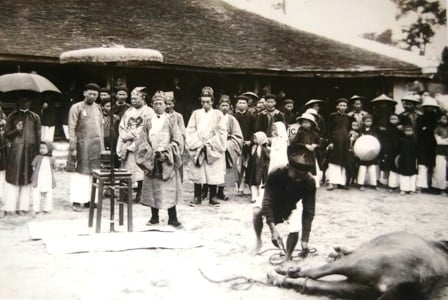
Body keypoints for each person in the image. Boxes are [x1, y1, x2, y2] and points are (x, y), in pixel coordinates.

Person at [251, 151, 316, 260]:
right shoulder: (276, 173)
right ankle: (258, 241)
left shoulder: (309, 181)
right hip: (274, 199)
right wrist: (273, 230)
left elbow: (308, 211)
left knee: (295, 227)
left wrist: (305, 238)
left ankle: (287, 256)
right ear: (288, 167)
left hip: (292, 203)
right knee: (256, 212)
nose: (298, 179)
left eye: (302, 176)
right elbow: (267, 202)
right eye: (296, 175)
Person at [135, 92, 184, 227]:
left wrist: (167, 153)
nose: (158, 106)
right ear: (152, 105)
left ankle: (173, 218)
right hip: (152, 159)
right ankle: (154, 217)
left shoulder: (171, 121)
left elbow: (177, 140)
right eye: (155, 104)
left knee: (169, 189)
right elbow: (142, 142)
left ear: (165, 105)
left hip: (167, 159)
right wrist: (151, 153)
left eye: (161, 104)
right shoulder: (147, 122)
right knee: (153, 189)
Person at [1, 92, 41, 217]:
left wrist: (38, 154)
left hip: (30, 151)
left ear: (30, 102)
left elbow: (38, 136)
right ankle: (10, 207)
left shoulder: (35, 117)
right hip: (15, 152)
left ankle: (23, 207)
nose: (24, 103)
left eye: (27, 100)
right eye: (22, 100)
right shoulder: (12, 116)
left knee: (27, 180)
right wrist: (16, 130)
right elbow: (6, 134)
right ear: (18, 102)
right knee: (13, 179)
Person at [185, 86, 227, 206]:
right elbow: (190, 129)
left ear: (212, 101)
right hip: (199, 146)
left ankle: (212, 196)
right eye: (203, 102)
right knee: (198, 171)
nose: (205, 104)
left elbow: (222, 131)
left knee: (213, 171)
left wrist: (210, 143)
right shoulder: (196, 114)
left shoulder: (218, 114)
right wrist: (198, 143)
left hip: (212, 146)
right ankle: (197, 196)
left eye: (208, 102)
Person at [68, 83, 104, 212]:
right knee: (80, 174)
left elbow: (100, 128)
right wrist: (73, 146)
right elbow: (71, 127)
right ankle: (77, 200)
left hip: (96, 146)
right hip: (81, 145)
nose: (93, 96)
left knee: (94, 173)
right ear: (84, 93)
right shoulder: (76, 107)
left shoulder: (98, 108)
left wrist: (102, 147)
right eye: (90, 94)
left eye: (95, 94)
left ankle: (91, 199)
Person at [117, 87, 155, 203]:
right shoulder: (129, 111)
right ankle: (124, 194)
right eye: (132, 98)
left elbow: (148, 127)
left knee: (140, 171)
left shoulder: (149, 112)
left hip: (140, 144)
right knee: (125, 169)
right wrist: (125, 136)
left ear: (143, 98)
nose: (133, 101)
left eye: (135, 98)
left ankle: (140, 194)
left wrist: (136, 137)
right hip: (127, 142)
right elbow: (122, 126)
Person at [217, 95, 243, 201]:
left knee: (224, 171)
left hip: (226, 147)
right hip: (214, 146)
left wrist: (228, 144)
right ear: (218, 106)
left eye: (226, 105)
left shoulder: (232, 119)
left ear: (230, 107)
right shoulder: (214, 117)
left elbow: (237, 135)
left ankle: (220, 192)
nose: (224, 107)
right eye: (222, 105)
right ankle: (208, 191)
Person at [326, 98, 352, 190]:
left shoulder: (348, 117)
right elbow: (328, 130)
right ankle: (331, 182)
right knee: (333, 161)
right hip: (335, 141)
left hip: (344, 142)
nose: (342, 107)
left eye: (344, 105)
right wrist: (330, 142)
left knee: (343, 161)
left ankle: (341, 182)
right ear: (337, 106)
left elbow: (349, 129)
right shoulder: (332, 116)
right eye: (341, 105)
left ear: (347, 107)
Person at [289, 113, 321, 187]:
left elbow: (319, 144)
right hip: (301, 154)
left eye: (306, 122)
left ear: (311, 124)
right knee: (301, 168)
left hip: (310, 155)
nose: (304, 124)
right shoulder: (300, 133)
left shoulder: (315, 134)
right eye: (303, 122)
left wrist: (315, 146)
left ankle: (309, 183)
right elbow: (294, 143)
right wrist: (305, 146)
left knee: (310, 170)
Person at [416, 96, 439, 193]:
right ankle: (421, 186)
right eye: (428, 107)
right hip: (423, 144)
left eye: (432, 107)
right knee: (422, 165)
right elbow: (419, 131)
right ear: (425, 107)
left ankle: (432, 185)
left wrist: (427, 129)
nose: (430, 108)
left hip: (434, 145)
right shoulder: (420, 118)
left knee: (433, 165)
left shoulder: (437, 119)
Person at [234, 94, 256, 194]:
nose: (242, 104)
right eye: (240, 103)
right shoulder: (233, 117)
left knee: (248, 165)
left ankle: (250, 187)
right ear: (237, 104)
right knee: (238, 166)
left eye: (244, 103)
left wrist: (250, 141)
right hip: (236, 144)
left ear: (247, 105)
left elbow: (254, 130)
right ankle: (239, 187)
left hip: (248, 144)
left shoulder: (252, 117)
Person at [245, 131, 270, 204]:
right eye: (253, 138)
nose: (253, 140)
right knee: (253, 183)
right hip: (253, 168)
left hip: (261, 169)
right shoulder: (253, 147)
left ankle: (260, 197)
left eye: (256, 138)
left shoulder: (264, 149)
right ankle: (254, 197)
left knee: (261, 183)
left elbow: (267, 158)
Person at [31, 141, 56, 214]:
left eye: (44, 148)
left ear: (49, 149)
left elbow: (54, 167)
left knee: (48, 194)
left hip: (48, 178)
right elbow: (33, 165)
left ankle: (47, 208)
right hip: (39, 178)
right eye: (41, 148)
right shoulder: (38, 157)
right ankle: (36, 209)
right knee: (36, 193)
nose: (42, 150)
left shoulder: (52, 158)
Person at [380, 114, 402, 191]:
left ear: (398, 120)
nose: (393, 120)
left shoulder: (400, 130)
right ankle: (388, 183)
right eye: (391, 119)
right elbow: (385, 140)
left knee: (395, 167)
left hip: (397, 150)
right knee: (388, 166)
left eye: (395, 119)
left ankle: (395, 184)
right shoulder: (387, 129)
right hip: (389, 150)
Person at [357, 114, 378, 190]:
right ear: (363, 122)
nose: (368, 123)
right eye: (367, 121)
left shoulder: (373, 130)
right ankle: (360, 184)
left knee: (372, 167)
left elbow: (375, 140)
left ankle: (373, 184)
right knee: (362, 168)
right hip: (363, 151)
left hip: (371, 151)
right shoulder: (361, 130)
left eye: (370, 121)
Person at [397, 124, 418, 195]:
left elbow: (417, 150)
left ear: (413, 131)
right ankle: (403, 189)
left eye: (410, 131)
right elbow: (398, 150)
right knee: (403, 174)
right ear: (404, 131)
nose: (408, 132)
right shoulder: (401, 140)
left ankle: (412, 189)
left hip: (412, 159)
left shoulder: (415, 140)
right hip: (404, 159)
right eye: (407, 131)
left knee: (412, 174)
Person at [431, 113, 448, 194]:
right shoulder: (437, 129)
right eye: (443, 119)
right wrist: (445, 140)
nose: (445, 120)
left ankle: (445, 187)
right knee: (440, 169)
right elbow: (439, 141)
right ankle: (438, 187)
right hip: (440, 150)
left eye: (446, 119)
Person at [346, 120, 360, 186]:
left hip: (357, 152)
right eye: (353, 125)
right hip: (350, 152)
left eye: (356, 125)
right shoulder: (349, 133)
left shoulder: (359, 134)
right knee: (349, 166)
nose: (355, 127)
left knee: (356, 166)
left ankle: (354, 179)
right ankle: (348, 180)